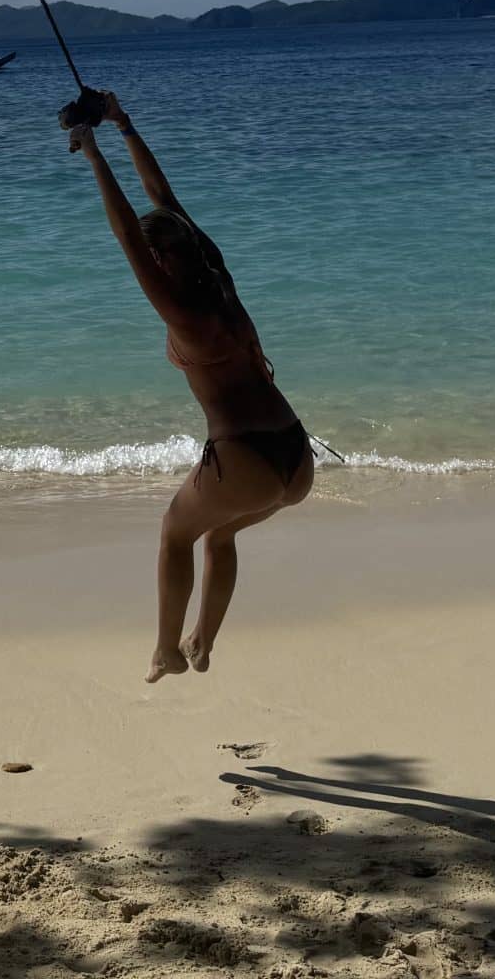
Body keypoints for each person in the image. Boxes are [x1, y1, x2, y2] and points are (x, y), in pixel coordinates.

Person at [68, 91, 312, 684]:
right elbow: (163, 201)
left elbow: (129, 232)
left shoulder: (183, 313)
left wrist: (92, 152)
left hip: (245, 459)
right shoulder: (218, 281)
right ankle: (201, 642)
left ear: (161, 260)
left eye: (154, 258)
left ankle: (165, 651)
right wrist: (122, 124)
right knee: (220, 532)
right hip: (296, 458)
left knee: (176, 533)